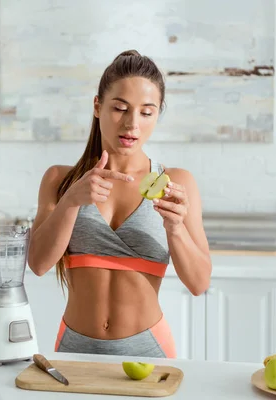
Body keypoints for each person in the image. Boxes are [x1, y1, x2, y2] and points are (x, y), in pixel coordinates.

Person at [27, 50, 212, 358]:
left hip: (148, 350)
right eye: (120, 108)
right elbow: (38, 263)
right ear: (98, 106)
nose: (132, 124)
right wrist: (71, 201)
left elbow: (199, 283)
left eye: (146, 112)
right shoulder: (60, 179)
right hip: (74, 350)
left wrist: (176, 228)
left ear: (157, 115)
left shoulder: (176, 182)